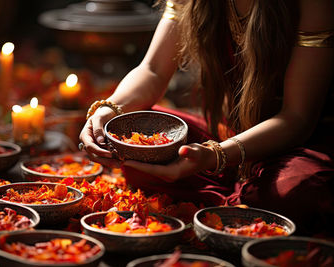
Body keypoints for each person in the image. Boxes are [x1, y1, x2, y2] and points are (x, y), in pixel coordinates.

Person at [79, 0, 334, 235]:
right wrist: (109, 110)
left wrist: (215, 156)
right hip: (228, 139)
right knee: (135, 137)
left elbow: (297, 117)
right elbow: (153, 70)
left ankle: (236, 200)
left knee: (296, 192)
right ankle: (235, 198)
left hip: (300, 145)